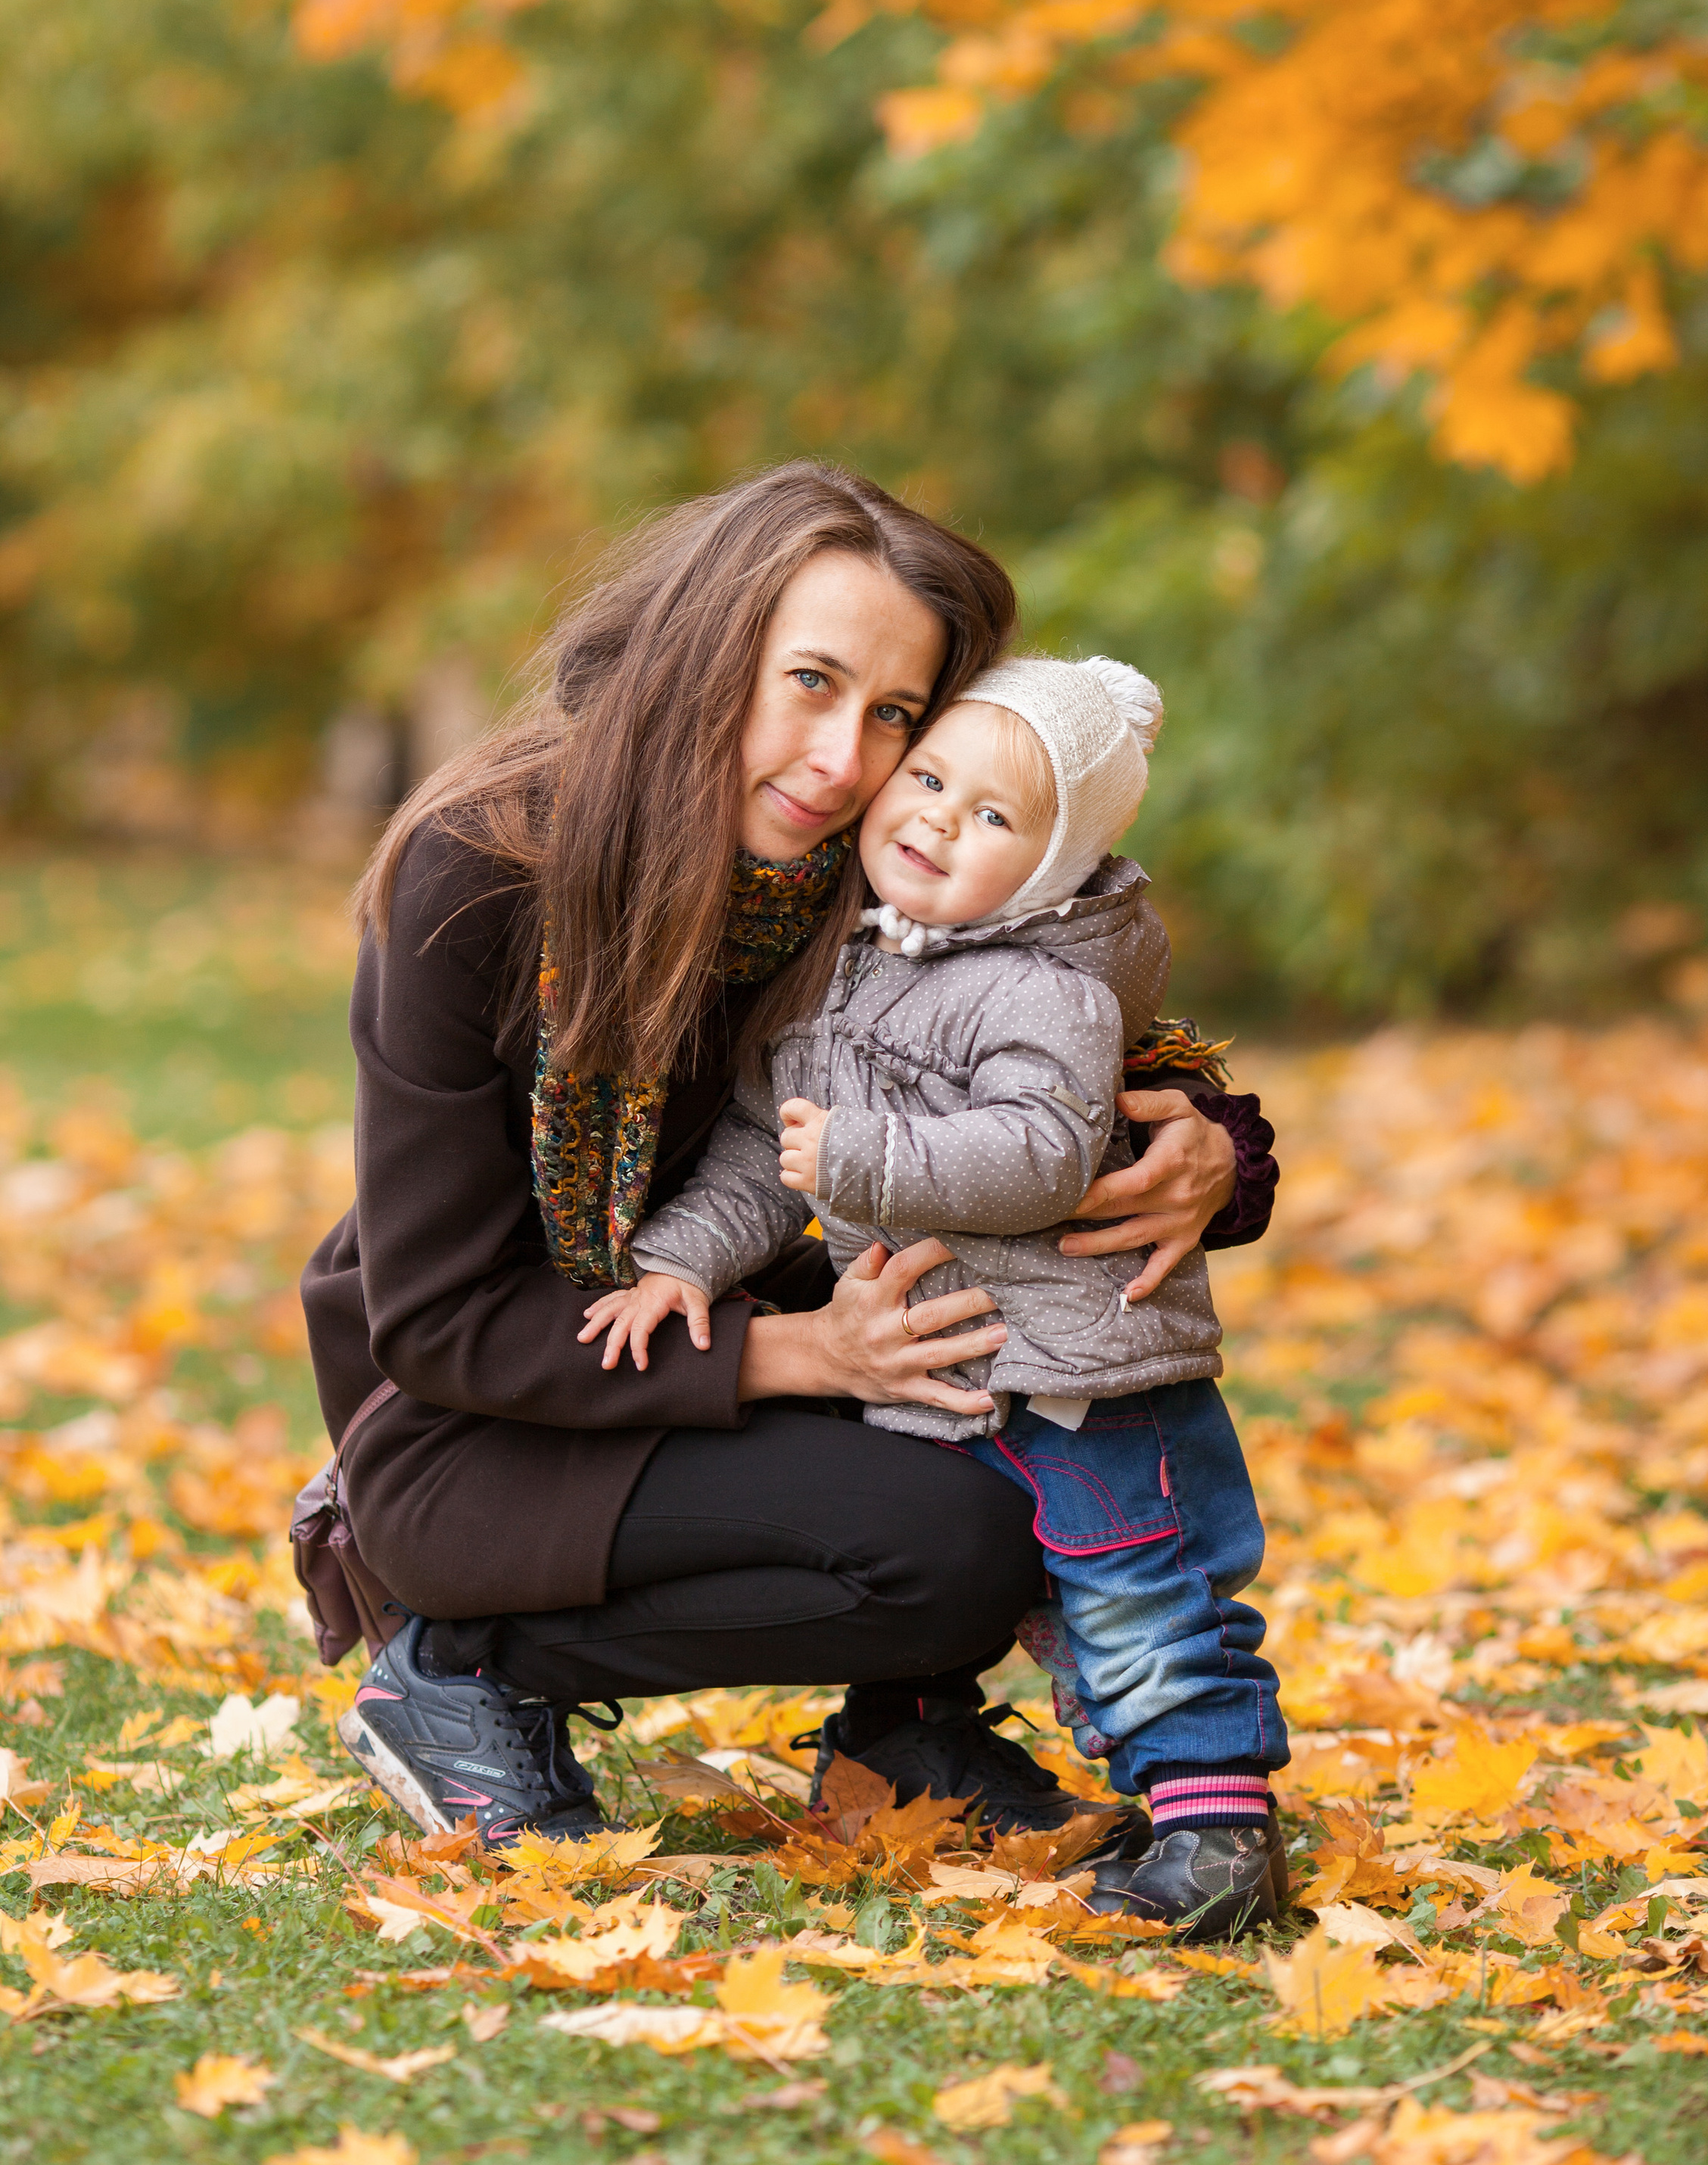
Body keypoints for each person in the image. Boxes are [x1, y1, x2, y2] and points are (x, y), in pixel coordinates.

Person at [303, 463, 1278, 1849]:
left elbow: (1068, 1057)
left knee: (1019, 1429)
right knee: (959, 1547)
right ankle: (464, 1674)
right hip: (478, 1422)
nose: (841, 760)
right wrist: (808, 1358)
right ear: (706, 656)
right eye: (809, 682)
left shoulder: (875, 861)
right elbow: (439, 1320)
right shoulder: (480, 870)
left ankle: (905, 1739)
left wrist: (1214, 1156)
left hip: (737, 1328)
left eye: (894, 716)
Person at [598, 654, 1288, 1934]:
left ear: (1052, 869)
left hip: (1087, 1374)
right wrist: (680, 1260)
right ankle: (909, 1750)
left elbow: (1039, 1158)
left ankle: (1216, 1834)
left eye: (993, 819)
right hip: (951, 1364)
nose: (933, 820)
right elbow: (764, 1146)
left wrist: (860, 1160)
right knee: (977, 1583)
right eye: (925, 781)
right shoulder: (846, 966)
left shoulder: (1052, 990)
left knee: (1139, 1596)